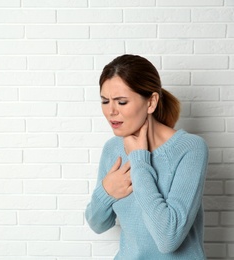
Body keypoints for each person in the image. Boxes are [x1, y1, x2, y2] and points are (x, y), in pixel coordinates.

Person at [85, 54, 209, 259]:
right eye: (105, 101)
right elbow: (98, 224)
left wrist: (139, 159)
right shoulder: (112, 149)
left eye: (121, 102)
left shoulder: (190, 149)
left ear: (151, 102)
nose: (111, 111)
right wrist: (107, 191)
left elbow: (168, 238)